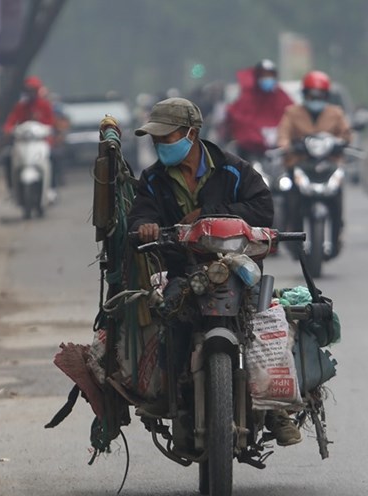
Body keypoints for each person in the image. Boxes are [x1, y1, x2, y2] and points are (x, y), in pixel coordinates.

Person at [127, 97, 301, 446]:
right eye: (156, 139)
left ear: (192, 133)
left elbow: (263, 209)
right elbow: (139, 215)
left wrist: (208, 212)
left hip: (236, 271)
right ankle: (168, 392)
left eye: (167, 136)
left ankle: (274, 410)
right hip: (181, 272)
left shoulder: (233, 170)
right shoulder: (152, 179)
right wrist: (145, 226)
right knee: (168, 322)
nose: (161, 144)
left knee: (264, 324)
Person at [277, 70, 352, 258]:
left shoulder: (336, 113)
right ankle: (291, 236)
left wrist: (341, 142)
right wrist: (286, 145)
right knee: (292, 200)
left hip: (329, 164)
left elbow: (346, 135)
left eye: (320, 95)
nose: (315, 98)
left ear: (326, 96)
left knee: (337, 198)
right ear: (305, 94)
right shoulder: (292, 112)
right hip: (300, 163)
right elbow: (283, 135)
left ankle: (337, 233)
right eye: (312, 95)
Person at [225, 59, 294, 161]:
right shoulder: (247, 98)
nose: (267, 79)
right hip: (253, 153)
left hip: (280, 152)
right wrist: (257, 140)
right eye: (264, 76)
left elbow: (292, 116)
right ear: (257, 77)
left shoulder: (281, 96)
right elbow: (240, 121)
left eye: (270, 75)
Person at [2, 76, 56, 193]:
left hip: (41, 143)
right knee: (7, 157)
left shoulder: (44, 105)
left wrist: (51, 130)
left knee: (55, 157)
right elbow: (11, 121)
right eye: (28, 90)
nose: (30, 93)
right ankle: (12, 189)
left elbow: (52, 122)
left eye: (33, 90)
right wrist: (8, 129)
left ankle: (51, 188)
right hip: (23, 143)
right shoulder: (20, 106)